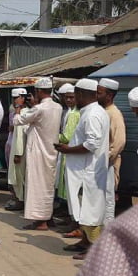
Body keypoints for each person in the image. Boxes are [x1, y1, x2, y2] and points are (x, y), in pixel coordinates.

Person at [55, 79, 111, 260]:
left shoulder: (93, 114)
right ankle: (86, 242)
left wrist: (67, 150)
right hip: (84, 170)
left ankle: (94, 248)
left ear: (80, 94)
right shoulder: (89, 112)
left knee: (90, 210)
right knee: (83, 208)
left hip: (89, 171)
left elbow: (92, 144)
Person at [15, 78, 63, 230]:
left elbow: (18, 120)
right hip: (51, 151)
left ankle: (40, 220)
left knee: (37, 185)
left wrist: (18, 107)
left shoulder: (39, 109)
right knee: (47, 186)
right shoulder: (58, 107)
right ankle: (47, 218)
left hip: (38, 152)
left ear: (39, 91)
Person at [96, 78, 125, 221]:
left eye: (99, 93)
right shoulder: (102, 111)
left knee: (107, 201)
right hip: (99, 165)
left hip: (108, 165)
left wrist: (104, 159)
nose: (96, 95)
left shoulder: (114, 114)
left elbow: (119, 142)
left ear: (109, 95)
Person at [54, 83, 80, 235]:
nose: (69, 100)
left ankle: (75, 223)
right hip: (66, 154)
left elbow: (66, 137)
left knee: (72, 191)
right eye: (67, 98)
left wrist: (51, 134)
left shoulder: (75, 114)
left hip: (70, 153)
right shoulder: (70, 112)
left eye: (72, 97)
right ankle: (71, 219)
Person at [5, 88, 29, 211]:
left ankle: (21, 201)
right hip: (15, 147)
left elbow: (20, 134)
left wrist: (18, 153)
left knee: (20, 177)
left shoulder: (24, 113)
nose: (15, 101)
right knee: (17, 177)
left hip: (20, 151)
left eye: (17, 98)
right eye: (14, 98)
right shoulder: (17, 112)